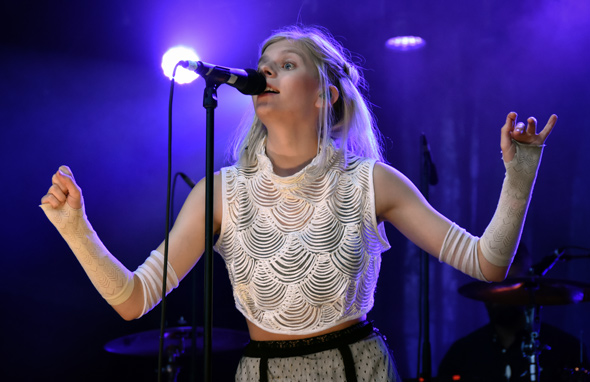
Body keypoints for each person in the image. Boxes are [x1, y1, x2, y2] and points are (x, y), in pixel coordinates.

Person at [40, 25, 557, 382]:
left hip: (357, 369)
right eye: (264, 65)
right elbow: (134, 299)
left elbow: (488, 264)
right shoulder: (219, 192)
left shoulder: (372, 182)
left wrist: (520, 178)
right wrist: (76, 229)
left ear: (324, 95)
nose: (266, 73)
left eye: (286, 65)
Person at [438, 244, 589, 382]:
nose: (497, 293)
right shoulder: (461, 355)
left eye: (508, 284)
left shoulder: (566, 349)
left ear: (529, 285)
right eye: (490, 284)